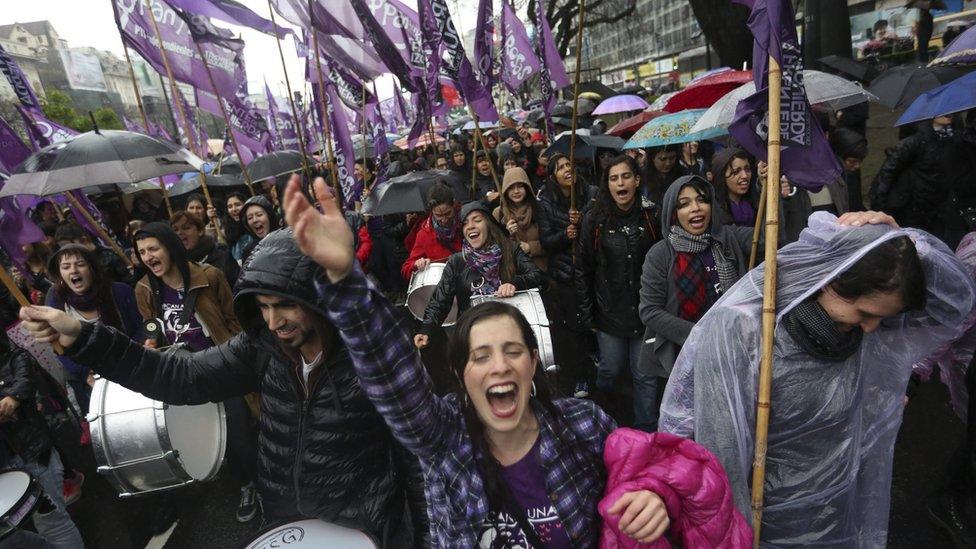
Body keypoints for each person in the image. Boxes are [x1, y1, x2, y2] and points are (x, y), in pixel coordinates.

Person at [281, 177, 672, 547]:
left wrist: (652, 497)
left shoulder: (586, 425)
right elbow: (393, 376)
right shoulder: (444, 439)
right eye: (480, 356)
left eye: (512, 350)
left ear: (533, 362)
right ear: (459, 373)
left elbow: (649, 474)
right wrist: (345, 279)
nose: (499, 366)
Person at [19, 224, 426, 547]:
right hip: (288, 524)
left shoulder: (378, 357)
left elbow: (420, 463)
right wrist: (86, 337)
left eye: (285, 304)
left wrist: (425, 538)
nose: (273, 321)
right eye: (263, 307)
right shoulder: (262, 347)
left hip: (365, 528)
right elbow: (180, 376)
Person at [659, 211, 976, 545]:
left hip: (837, 509)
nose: (871, 327)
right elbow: (720, 454)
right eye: (865, 314)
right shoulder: (744, 329)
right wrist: (736, 537)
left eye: (881, 319)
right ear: (831, 279)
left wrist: (906, 244)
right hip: (766, 520)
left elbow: (955, 304)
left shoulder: (862, 332)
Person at [639, 176, 753, 415]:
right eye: (684, 203)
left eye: (701, 200)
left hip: (730, 352)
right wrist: (699, 336)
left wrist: (771, 190)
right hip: (681, 359)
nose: (695, 208)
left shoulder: (727, 239)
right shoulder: (660, 255)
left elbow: (772, 235)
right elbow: (649, 311)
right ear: (672, 212)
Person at [576, 155, 661, 430]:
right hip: (608, 313)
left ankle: (647, 432)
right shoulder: (595, 220)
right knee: (610, 369)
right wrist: (588, 314)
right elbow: (584, 268)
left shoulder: (651, 216)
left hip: (644, 313)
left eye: (625, 176)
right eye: (614, 178)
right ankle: (605, 419)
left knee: (644, 376)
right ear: (607, 185)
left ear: (636, 181)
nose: (620, 183)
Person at [413, 201, 546, 349]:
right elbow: (440, 301)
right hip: (474, 336)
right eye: (465, 223)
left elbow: (538, 276)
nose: (470, 226)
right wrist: (427, 330)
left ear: (489, 224)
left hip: (510, 331)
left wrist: (515, 283)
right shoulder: (457, 262)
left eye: (477, 220)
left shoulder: (511, 249)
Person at [0, 332, 85, 548]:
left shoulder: (16, 358)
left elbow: (21, 387)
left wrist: (12, 400)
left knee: (51, 522)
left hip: (34, 457)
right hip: (5, 466)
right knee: (7, 536)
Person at [43, 244, 144, 414]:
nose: (73, 271)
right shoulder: (56, 300)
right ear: (60, 274)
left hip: (130, 369)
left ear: (92, 268)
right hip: (89, 383)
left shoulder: (120, 292)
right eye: (66, 267)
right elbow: (59, 349)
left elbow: (140, 328)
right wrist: (85, 374)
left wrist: (137, 352)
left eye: (80, 264)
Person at [538, 153, 598, 397]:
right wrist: (566, 232)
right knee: (574, 327)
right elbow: (546, 241)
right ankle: (580, 376)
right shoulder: (546, 202)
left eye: (568, 165)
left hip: (592, 268)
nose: (566, 170)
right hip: (565, 273)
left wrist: (583, 219)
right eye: (560, 167)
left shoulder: (590, 193)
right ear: (553, 175)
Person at [870, 115, 960, 247]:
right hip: (913, 208)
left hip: (940, 209)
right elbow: (887, 172)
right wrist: (880, 206)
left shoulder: (956, 138)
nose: (947, 113)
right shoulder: (916, 139)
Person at [400, 182, 462, 281]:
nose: (444, 219)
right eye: (439, 215)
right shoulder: (424, 234)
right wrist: (416, 264)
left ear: (453, 204)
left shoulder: (466, 221)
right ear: (431, 212)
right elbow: (406, 269)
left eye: (448, 213)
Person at [493, 167, 548, 272]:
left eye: (520, 186)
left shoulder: (539, 208)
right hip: (515, 272)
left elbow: (551, 241)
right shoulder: (499, 213)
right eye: (511, 188)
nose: (516, 191)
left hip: (541, 270)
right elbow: (494, 248)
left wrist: (531, 247)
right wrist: (508, 234)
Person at [171, 210, 240, 287]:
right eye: (175, 230)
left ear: (200, 231)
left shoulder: (222, 255)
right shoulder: (173, 265)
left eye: (186, 228)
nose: (180, 233)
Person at [54, 222, 134, 285]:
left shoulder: (109, 256)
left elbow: (128, 282)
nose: (67, 250)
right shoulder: (68, 266)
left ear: (83, 240)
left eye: (69, 245)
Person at [710, 148, 758, 228]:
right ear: (722, 176)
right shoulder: (713, 209)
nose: (745, 176)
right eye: (736, 172)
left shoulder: (756, 199)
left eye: (747, 169)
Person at [829, 128, 868, 212]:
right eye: (852, 161)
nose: (857, 166)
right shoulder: (828, 183)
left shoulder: (851, 175)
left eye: (860, 161)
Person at [239, 195, 279, 261]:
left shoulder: (286, 240)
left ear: (270, 216)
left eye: (259, 215)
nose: (254, 220)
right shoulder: (249, 251)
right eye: (250, 218)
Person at [223, 192, 255, 262]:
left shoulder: (255, 226)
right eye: (230, 207)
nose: (234, 209)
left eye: (237, 205)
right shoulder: (228, 230)